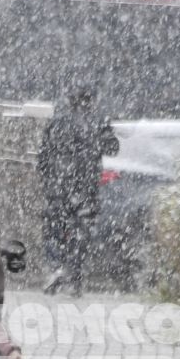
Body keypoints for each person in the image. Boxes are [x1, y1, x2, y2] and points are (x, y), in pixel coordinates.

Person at [37, 85, 119, 295]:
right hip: (86, 187)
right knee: (80, 232)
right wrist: (103, 137)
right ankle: (74, 275)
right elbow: (113, 148)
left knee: (54, 229)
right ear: (91, 101)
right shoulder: (98, 122)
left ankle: (56, 266)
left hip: (58, 186)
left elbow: (43, 157)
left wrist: (48, 178)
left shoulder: (57, 122)